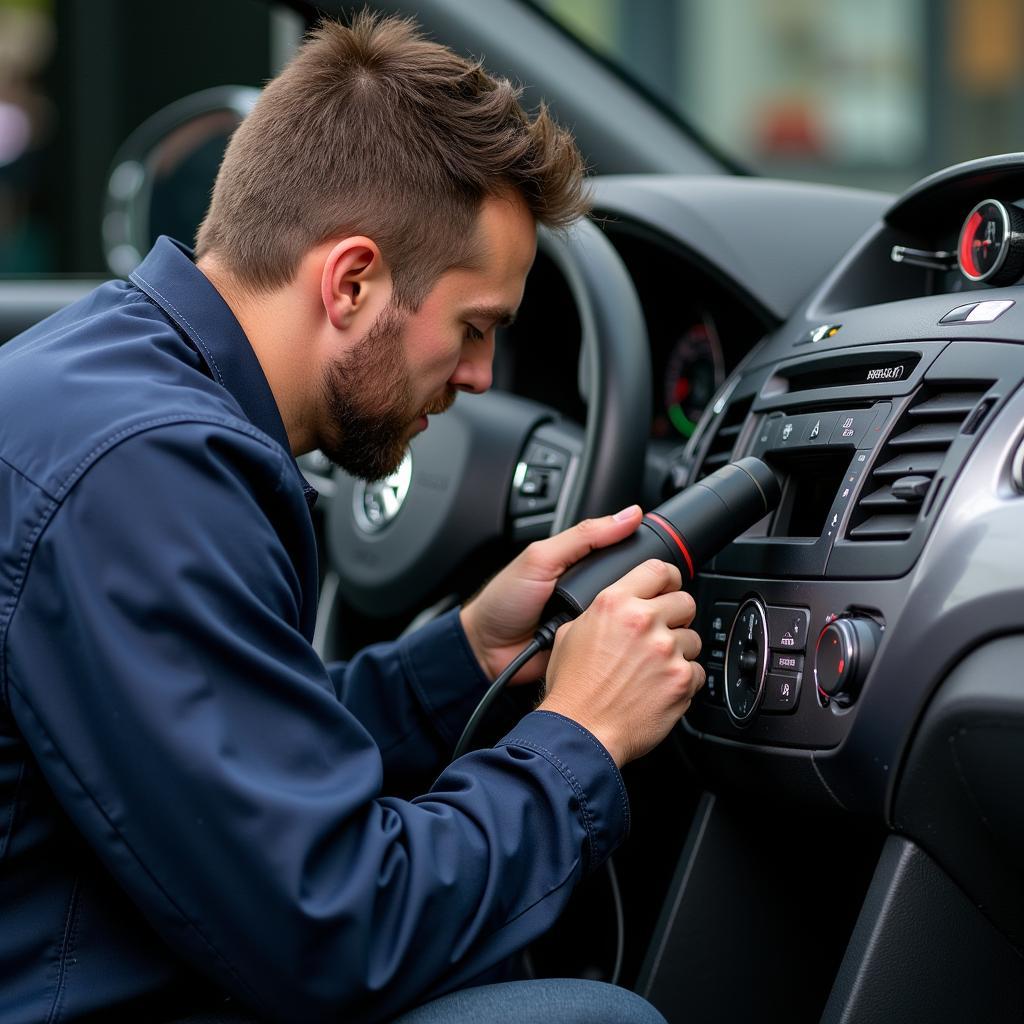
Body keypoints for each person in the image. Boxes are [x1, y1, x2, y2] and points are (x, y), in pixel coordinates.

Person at [0, 13, 704, 1024]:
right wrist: (580, 733)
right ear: (353, 280)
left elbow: (232, 740)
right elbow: (335, 928)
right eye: (474, 328)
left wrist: (466, 652)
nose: (479, 377)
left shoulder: (112, 378)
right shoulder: (148, 473)